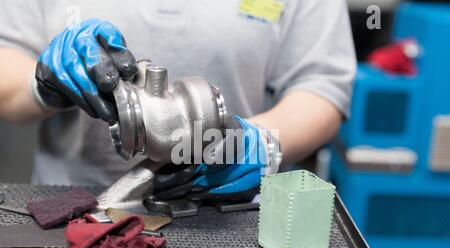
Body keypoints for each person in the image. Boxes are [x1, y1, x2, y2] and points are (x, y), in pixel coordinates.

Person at [0, 0, 356, 199]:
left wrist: (259, 144)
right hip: (73, 207)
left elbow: (322, 83)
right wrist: (46, 84)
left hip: (232, 215)